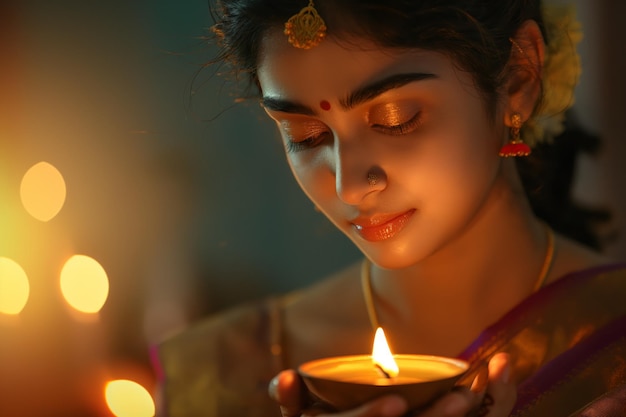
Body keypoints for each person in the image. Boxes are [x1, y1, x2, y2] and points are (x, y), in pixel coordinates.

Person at [150, 0, 626, 416]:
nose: (349, 185)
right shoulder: (223, 374)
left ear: (519, 77)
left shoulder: (613, 348)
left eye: (396, 119)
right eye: (305, 136)